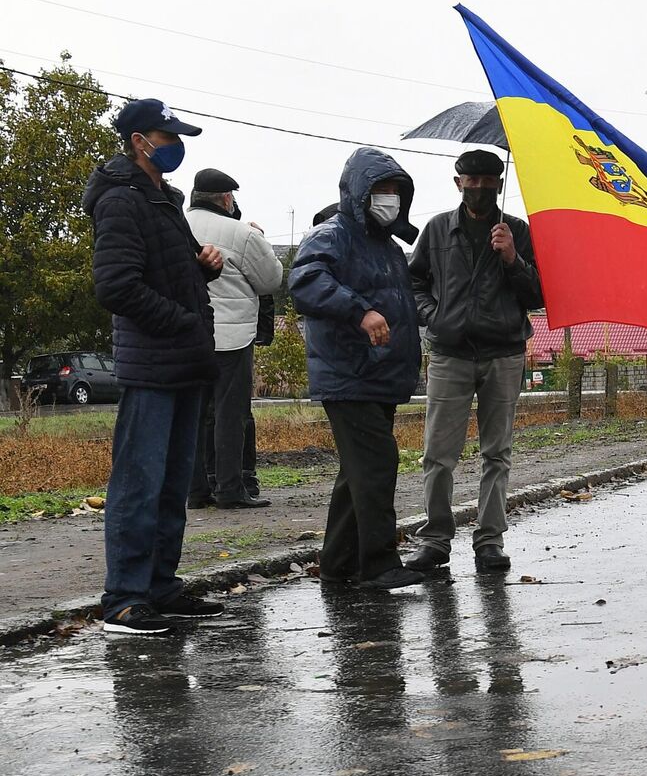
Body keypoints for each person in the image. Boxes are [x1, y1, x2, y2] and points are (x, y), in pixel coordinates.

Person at [85, 98, 224, 635]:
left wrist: (201, 269)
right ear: (142, 140)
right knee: (139, 484)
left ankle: (160, 586)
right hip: (152, 364)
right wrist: (182, 321)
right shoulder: (122, 200)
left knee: (171, 484)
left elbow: (164, 273)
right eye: (169, 137)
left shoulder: (161, 197)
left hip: (182, 360)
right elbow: (117, 286)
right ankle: (123, 599)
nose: (176, 146)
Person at [290, 148, 427, 591]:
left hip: (377, 374)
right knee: (377, 464)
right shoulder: (333, 235)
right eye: (380, 190)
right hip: (349, 372)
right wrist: (359, 311)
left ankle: (338, 562)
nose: (389, 198)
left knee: (358, 473)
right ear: (357, 193)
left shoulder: (384, 245)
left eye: (394, 191)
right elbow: (306, 281)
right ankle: (379, 563)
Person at [403, 149, 543, 575]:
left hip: (504, 352)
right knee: (438, 454)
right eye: (471, 180)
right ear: (457, 182)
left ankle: (489, 541)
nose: (479, 187)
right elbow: (413, 281)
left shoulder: (517, 231)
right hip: (450, 354)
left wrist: (512, 259)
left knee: (496, 453)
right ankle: (435, 540)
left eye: (487, 180)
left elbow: (538, 295)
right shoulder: (437, 229)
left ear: (499, 184)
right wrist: (433, 317)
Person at [184, 168, 283, 509]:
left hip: (187, 335)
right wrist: (258, 238)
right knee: (231, 413)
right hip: (231, 336)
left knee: (193, 414)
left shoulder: (176, 226)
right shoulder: (241, 233)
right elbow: (271, 280)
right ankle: (230, 488)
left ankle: (195, 491)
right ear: (227, 199)